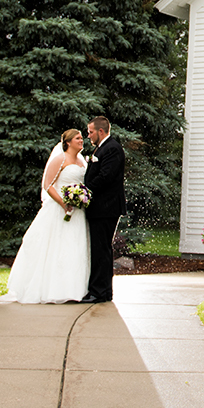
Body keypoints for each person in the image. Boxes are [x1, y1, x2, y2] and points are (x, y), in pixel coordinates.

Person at [3, 129, 91, 304]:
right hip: (59, 210)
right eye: (78, 138)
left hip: (78, 212)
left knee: (75, 247)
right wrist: (63, 203)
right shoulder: (60, 159)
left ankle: (76, 289)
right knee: (57, 246)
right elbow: (48, 184)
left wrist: (81, 198)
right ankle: (53, 289)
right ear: (68, 142)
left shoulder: (82, 161)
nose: (82, 140)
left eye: (82, 138)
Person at [81, 115, 125, 303]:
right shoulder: (102, 148)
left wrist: (84, 191)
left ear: (101, 131)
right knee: (102, 250)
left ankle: (99, 292)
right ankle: (103, 292)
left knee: (101, 250)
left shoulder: (112, 148)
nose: (88, 136)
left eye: (90, 132)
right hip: (101, 207)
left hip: (106, 207)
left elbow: (106, 176)